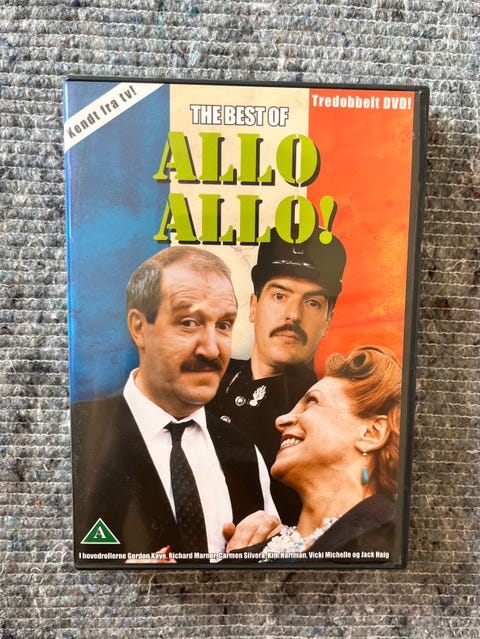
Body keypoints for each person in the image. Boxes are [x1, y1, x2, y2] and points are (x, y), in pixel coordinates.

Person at [72, 246, 279, 564]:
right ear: (139, 328)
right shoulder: (77, 433)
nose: (212, 350)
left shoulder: (244, 452)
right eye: (189, 322)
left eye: (224, 325)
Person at [209, 225, 346, 524]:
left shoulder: (329, 416)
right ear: (253, 306)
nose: (293, 314)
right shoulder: (205, 374)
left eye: (312, 302)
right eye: (280, 295)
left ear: (327, 320)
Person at [227, 345, 401, 564]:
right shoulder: (247, 552)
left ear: (371, 433)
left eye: (311, 402)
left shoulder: (396, 544)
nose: (281, 420)